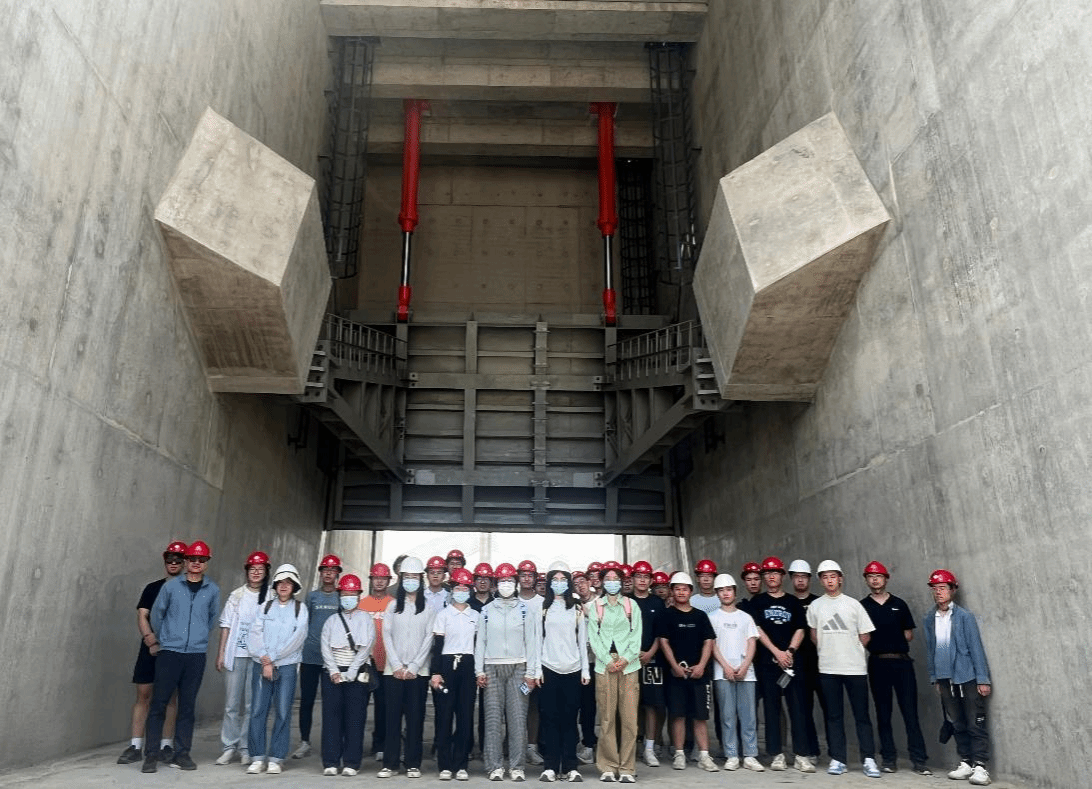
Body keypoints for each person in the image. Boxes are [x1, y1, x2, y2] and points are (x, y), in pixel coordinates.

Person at [141, 540, 220, 773]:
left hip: (195, 655)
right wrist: (165, 639)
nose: (196, 563)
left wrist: (197, 637)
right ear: (186, 561)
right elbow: (157, 615)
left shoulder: (213, 590)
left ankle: (182, 753)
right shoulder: (171, 587)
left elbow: (212, 619)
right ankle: (151, 755)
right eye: (192, 559)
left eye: (201, 560)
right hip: (170, 653)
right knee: (158, 703)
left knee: (187, 707)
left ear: (206, 563)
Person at [806, 560, 880, 778]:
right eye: (825, 577)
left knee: (862, 715)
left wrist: (850, 650)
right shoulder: (815, 606)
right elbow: (814, 635)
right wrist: (830, 651)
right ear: (820, 581)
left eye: (833, 576)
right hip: (828, 669)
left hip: (855, 669)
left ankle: (868, 759)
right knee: (833, 715)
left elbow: (865, 635)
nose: (830, 581)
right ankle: (838, 759)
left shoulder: (854, 604)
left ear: (840, 579)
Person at [117, 541, 184, 766]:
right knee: (143, 695)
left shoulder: (187, 590)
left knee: (170, 698)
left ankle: (166, 745)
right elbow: (142, 614)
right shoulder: (152, 588)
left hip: (173, 650)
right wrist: (150, 639)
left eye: (178, 560)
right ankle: (136, 745)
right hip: (150, 649)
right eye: (169, 559)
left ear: (184, 563)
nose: (173, 563)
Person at [923, 570, 992, 787]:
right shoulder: (929, 619)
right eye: (935, 588)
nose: (938, 592)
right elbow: (931, 650)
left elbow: (975, 647)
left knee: (975, 722)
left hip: (966, 677)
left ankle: (980, 766)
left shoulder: (964, 617)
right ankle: (966, 762)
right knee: (957, 723)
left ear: (952, 590)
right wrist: (935, 677)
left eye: (943, 588)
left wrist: (982, 678)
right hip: (945, 680)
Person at [860, 561, 930, 775]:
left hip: (901, 663)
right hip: (878, 663)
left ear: (886, 578)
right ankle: (888, 759)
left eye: (878, 576)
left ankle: (919, 760)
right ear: (866, 580)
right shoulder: (862, 606)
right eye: (871, 576)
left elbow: (909, 634)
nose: (875, 580)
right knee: (883, 713)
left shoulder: (899, 604)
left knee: (910, 712)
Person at [475, 562, 540, 782]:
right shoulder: (486, 611)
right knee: (492, 719)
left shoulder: (525, 610)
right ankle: (494, 766)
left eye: (509, 581)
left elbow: (532, 642)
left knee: (518, 720)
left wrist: (531, 673)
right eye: (502, 581)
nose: (506, 584)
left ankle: (517, 766)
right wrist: (479, 670)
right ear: (496, 583)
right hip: (492, 668)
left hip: (519, 668)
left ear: (516, 583)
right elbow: (480, 642)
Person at [246, 563, 309, 775]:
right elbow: (254, 634)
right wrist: (265, 660)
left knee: (283, 711)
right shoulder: (264, 607)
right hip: (261, 665)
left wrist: (271, 659)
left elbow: (297, 638)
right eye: (280, 582)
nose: (284, 586)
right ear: (274, 585)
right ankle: (257, 757)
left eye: (288, 582)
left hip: (287, 666)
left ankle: (276, 757)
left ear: (295, 586)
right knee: (258, 710)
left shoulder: (300, 609)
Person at [750, 556, 811, 773]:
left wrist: (790, 652)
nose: (771, 576)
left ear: (782, 576)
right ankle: (776, 754)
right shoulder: (757, 602)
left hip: (792, 663)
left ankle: (802, 755)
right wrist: (776, 652)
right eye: (767, 573)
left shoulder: (793, 602)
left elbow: (800, 628)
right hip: (768, 664)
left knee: (798, 709)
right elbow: (757, 630)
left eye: (775, 572)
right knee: (771, 709)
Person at [654, 571, 719, 773]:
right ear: (672, 592)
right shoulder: (666, 615)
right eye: (677, 589)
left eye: (685, 589)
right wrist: (674, 666)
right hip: (676, 675)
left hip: (700, 675)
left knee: (700, 717)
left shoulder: (700, 616)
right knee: (678, 715)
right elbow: (663, 642)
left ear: (691, 591)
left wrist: (701, 665)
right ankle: (679, 754)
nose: (681, 592)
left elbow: (709, 641)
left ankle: (704, 756)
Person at [378, 556, 436, 778]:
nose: (411, 581)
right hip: (393, 672)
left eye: (415, 577)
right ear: (401, 579)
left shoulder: (428, 608)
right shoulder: (392, 606)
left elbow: (429, 638)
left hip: (418, 673)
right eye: (407, 577)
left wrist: (413, 666)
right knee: (392, 718)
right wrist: (396, 665)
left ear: (421, 579)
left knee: (415, 718)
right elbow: (386, 635)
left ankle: (413, 763)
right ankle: (390, 763)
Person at [214, 549, 270, 766]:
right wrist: (221, 653)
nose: (256, 573)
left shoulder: (271, 596)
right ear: (246, 571)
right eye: (252, 569)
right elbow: (226, 625)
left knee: (251, 704)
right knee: (231, 704)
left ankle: (246, 747)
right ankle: (229, 746)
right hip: (236, 654)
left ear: (266, 572)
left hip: (257, 658)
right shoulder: (237, 595)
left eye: (260, 569)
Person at [535, 563, 590, 782]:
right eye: (555, 580)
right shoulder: (543, 608)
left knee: (569, 720)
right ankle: (550, 766)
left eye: (563, 579)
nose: (559, 583)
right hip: (548, 669)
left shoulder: (576, 608)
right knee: (549, 719)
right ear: (549, 583)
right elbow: (537, 640)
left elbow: (582, 641)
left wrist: (585, 669)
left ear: (568, 583)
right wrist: (536, 669)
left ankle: (570, 767)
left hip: (573, 670)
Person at [587, 566, 641, 782]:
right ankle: (608, 766)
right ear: (601, 582)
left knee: (629, 719)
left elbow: (636, 635)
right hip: (605, 665)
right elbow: (593, 637)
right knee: (607, 717)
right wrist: (608, 660)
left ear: (621, 582)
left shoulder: (631, 605)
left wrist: (625, 659)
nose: (611, 582)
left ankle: (627, 767)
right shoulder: (596, 607)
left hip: (629, 665)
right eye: (607, 578)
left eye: (615, 578)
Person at [320, 573, 376, 776]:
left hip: (357, 674)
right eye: (344, 594)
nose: (348, 598)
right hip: (332, 674)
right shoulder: (331, 620)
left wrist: (352, 671)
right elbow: (325, 647)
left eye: (352, 594)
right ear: (339, 595)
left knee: (355, 719)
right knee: (331, 719)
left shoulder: (366, 619)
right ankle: (331, 762)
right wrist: (334, 671)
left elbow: (367, 646)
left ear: (359, 596)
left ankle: (352, 763)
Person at [708, 573, 763, 772]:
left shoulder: (745, 617)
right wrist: (726, 667)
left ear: (734, 592)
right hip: (722, 673)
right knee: (727, 716)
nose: (725, 593)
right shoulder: (712, 617)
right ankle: (731, 755)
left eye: (729, 590)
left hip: (747, 673)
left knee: (748, 716)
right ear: (717, 594)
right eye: (721, 590)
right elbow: (712, 645)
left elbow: (752, 642)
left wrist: (745, 665)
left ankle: (750, 755)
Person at [430, 568, 480, 781]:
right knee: (444, 716)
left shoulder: (476, 616)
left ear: (470, 590)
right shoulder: (443, 615)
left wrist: (479, 671)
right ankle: (444, 765)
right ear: (451, 589)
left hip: (468, 665)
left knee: (465, 716)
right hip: (447, 665)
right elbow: (437, 646)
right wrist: (436, 672)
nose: (461, 591)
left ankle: (461, 765)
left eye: (465, 588)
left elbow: (479, 646)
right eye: (457, 588)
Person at [294, 553, 343, 760]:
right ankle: (304, 741)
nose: (328, 573)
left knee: (333, 703)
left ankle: (332, 742)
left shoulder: (341, 597)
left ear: (338, 574)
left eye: (332, 570)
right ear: (321, 573)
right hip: (311, 656)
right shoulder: (312, 597)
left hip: (334, 659)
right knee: (307, 701)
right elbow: (305, 624)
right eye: (325, 570)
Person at [630, 561, 666, 768]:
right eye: (639, 576)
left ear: (651, 581)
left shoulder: (657, 603)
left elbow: (661, 634)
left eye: (646, 577)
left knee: (652, 705)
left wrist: (651, 652)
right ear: (633, 579)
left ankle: (650, 748)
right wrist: (632, 654)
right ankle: (631, 745)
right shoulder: (626, 601)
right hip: (629, 661)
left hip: (653, 661)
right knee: (630, 704)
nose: (642, 580)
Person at [788, 558, 823, 766]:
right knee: (804, 709)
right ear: (791, 579)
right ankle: (811, 750)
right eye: (796, 577)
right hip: (799, 664)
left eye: (804, 577)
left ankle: (836, 753)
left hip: (822, 662)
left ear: (810, 579)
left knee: (829, 709)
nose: (800, 580)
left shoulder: (820, 602)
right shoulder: (789, 603)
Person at [359, 562, 395, 762]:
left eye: (383, 578)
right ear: (371, 580)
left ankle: (379, 745)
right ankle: (356, 744)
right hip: (365, 664)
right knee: (359, 706)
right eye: (376, 578)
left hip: (386, 664)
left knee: (383, 708)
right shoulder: (362, 604)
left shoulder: (394, 604)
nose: (379, 581)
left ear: (388, 581)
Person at [517, 559, 545, 767]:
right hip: (515, 661)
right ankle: (515, 745)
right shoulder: (510, 600)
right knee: (515, 706)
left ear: (535, 578)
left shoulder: (542, 602)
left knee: (534, 706)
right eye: (523, 575)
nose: (527, 579)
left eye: (530, 575)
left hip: (537, 662)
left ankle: (532, 747)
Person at [573, 570, 598, 765]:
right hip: (579, 662)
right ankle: (581, 743)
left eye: (582, 581)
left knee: (593, 706)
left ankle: (591, 745)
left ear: (589, 582)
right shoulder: (571, 605)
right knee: (579, 705)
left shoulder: (601, 603)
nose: (580, 586)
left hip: (598, 662)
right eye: (576, 583)